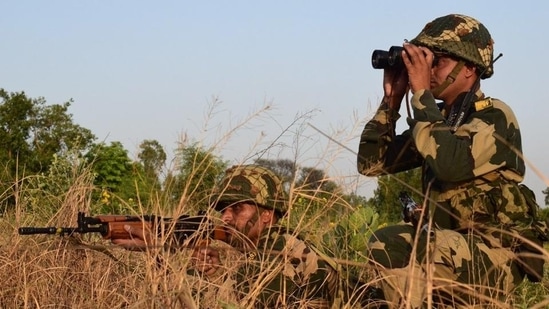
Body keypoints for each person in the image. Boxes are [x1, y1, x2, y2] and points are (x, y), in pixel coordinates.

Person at [357, 14, 547, 308]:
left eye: (437, 62)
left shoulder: (495, 116)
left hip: (493, 256)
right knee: (382, 257)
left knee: (410, 243)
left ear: (469, 68)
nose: (428, 71)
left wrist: (420, 94)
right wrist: (391, 103)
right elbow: (371, 164)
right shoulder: (437, 123)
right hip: (445, 249)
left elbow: (450, 162)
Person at [114, 164, 344, 308]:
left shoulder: (280, 248)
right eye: (223, 209)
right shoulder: (264, 249)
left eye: (236, 209)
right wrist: (215, 275)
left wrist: (157, 251)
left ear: (266, 215)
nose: (225, 217)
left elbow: (226, 304)